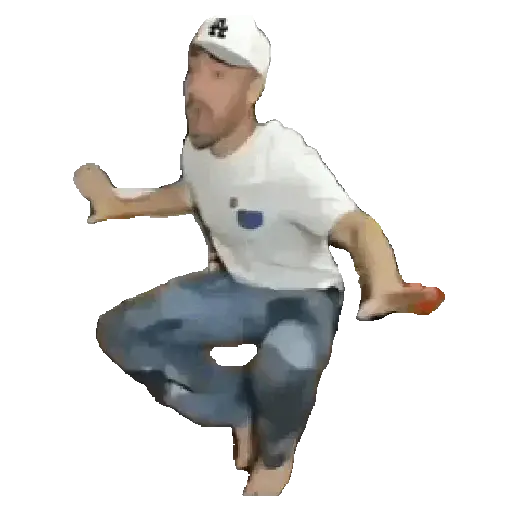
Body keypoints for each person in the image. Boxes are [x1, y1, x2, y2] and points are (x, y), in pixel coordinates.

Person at [76, 16, 434, 496]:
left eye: (219, 75)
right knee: (121, 331)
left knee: (284, 364)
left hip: (303, 298)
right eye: (193, 69)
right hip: (238, 285)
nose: (195, 89)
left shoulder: (285, 159)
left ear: (253, 90)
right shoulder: (199, 144)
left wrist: (384, 281)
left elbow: (356, 225)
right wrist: (123, 206)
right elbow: (193, 193)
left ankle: (276, 454)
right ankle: (236, 409)